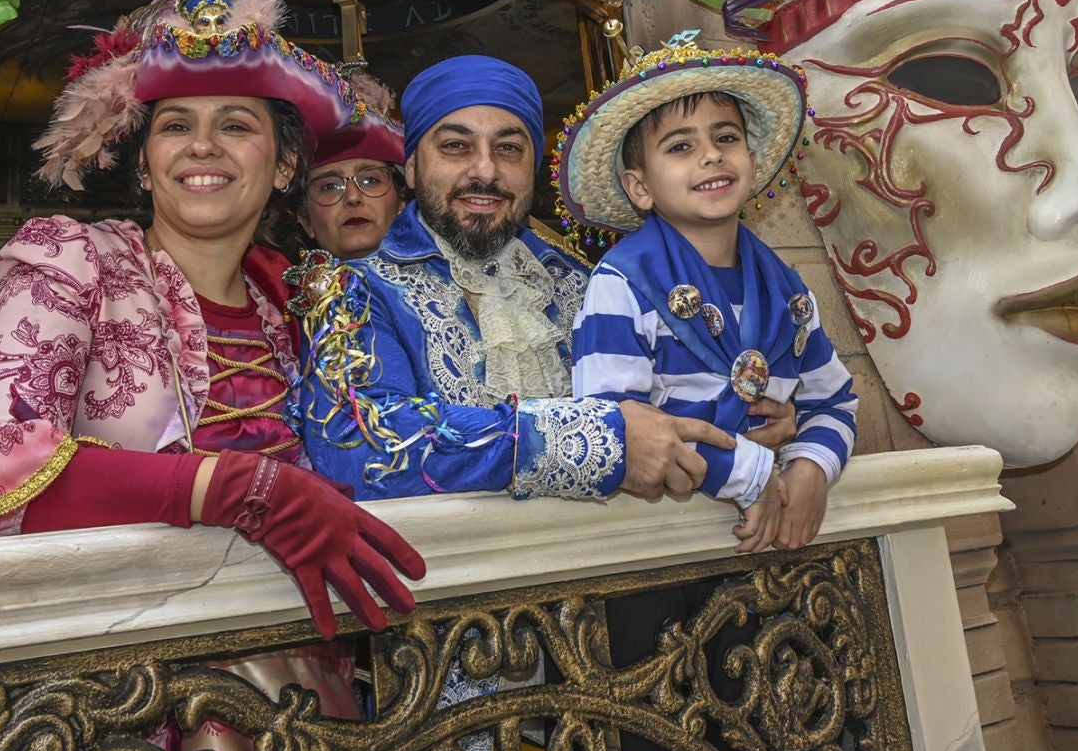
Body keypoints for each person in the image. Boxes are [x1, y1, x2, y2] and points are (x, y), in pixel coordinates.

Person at [0, 0, 425, 751]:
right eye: (175, 126)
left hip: (308, 696)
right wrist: (232, 487)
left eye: (235, 124)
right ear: (144, 163)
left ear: (283, 167)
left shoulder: (305, 303)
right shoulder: (68, 259)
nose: (202, 146)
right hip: (115, 698)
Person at [296, 55, 796, 502]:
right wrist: (602, 441)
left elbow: (675, 398)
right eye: (455, 146)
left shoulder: (587, 281)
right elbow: (359, 446)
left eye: (510, 149)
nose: (485, 171)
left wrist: (750, 416)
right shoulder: (355, 291)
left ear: (533, 165)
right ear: (410, 167)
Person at [557, 35, 858, 555]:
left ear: (752, 159)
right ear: (640, 187)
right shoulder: (621, 283)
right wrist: (751, 474)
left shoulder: (789, 292)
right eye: (680, 147)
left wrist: (812, 468)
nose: (711, 155)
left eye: (726, 137)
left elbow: (833, 401)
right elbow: (612, 423)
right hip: (662, 541)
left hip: (777, 526)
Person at [297, 71, 408, 260]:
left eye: (371, 180)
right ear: (306, 221)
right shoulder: (270, 289)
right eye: (330, 186)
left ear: (401, 205)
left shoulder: (455, 285)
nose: (353, 197)